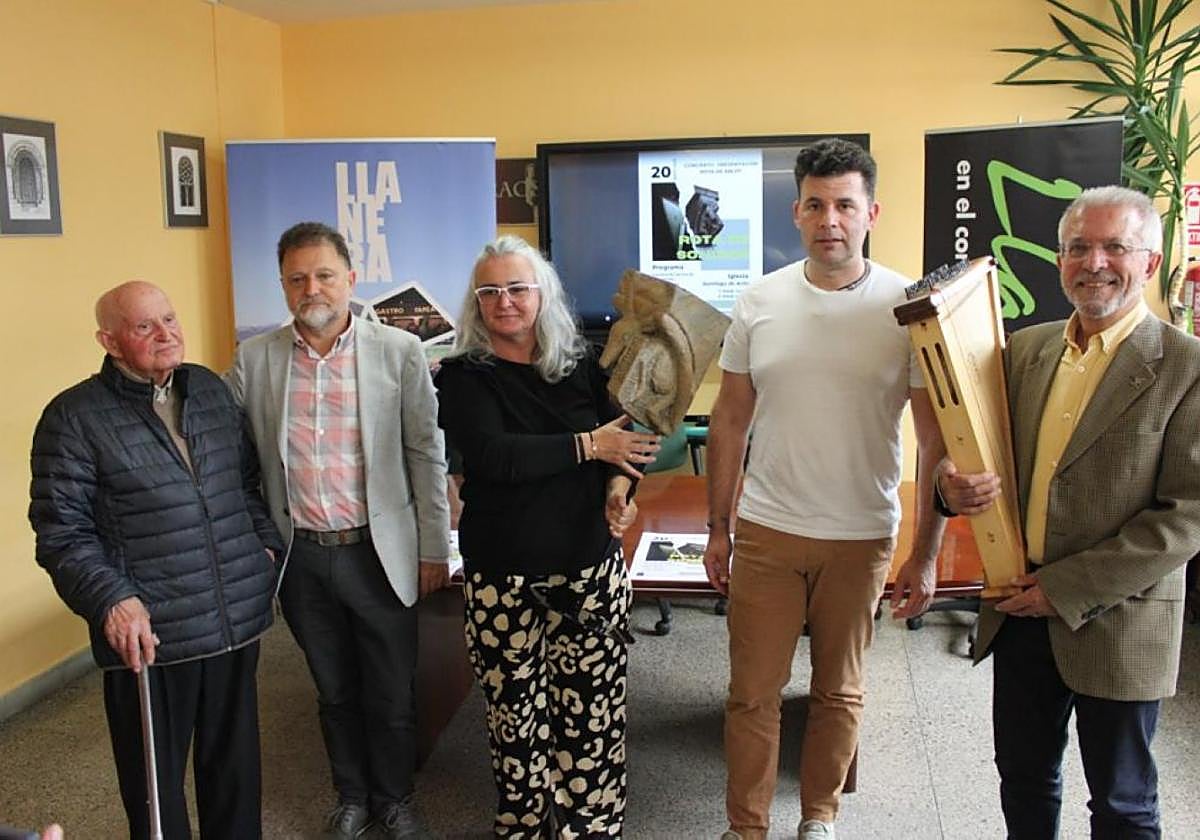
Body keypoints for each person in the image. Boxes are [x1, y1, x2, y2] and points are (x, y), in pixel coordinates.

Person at [702, 138, 947, 840]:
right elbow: (729, 418)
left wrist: (925, 553)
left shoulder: (909, 308)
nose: (829, 220)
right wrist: (719, 528)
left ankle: (820, 817)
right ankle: (746, 826)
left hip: (861, 535)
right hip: (768, 531)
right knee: (752, 694)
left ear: (872, 212)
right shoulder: (760, 301)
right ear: (796, 213)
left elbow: (934, 440)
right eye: (815, 205)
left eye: (844, 205)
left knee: (839, 691)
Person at [937, 186, 1200, 839]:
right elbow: (979, 450)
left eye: (1115, 247)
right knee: (1024, 781)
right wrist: (950, 486)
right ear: (1059, 260)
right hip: (1018, 609)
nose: (1094, 263)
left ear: (1150, 261)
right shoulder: (1025, 351)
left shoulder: (1187, 366)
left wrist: (1063, 588)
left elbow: (1186, 515)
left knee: (1123, 803)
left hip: (1120, 617)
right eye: (1078, 247)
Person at [29, 281, 283, 840]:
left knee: (236, 773)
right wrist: (112, 600)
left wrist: (262, 548)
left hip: (232, 619)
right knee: (154, 790)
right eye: (144, 326)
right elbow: (60, 531)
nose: (166, 334)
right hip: (152, 634)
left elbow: (245, 482)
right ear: (110, 341)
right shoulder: (73, 416)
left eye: (168, 319)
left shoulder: (209, 390)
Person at [226, 222, 451, 840]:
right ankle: (351, 796)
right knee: (334, 690)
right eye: (297, 279)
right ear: (283, 286)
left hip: (379, 552)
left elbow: (425, 453)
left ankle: (396, 800)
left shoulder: (398, 351)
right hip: (301, 557)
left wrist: (434, 546)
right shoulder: (254, 360)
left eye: (324, 275)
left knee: (392, 691)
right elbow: (233, 457)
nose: (312, 289)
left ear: (350, 278)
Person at [434, 235, 660, 838]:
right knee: (515, 719)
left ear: (543, 293)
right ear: (475, 302)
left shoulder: (588, 363)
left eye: (517, 288)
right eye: (489, 291)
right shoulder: (462, 376)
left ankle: (593, 826)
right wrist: (589, 446)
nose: (504, 301)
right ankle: (526, 825)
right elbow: (494, 456)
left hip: (587, 567)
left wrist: (619, 489)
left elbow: (627, 444)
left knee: (593, 714)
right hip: (501, 576)